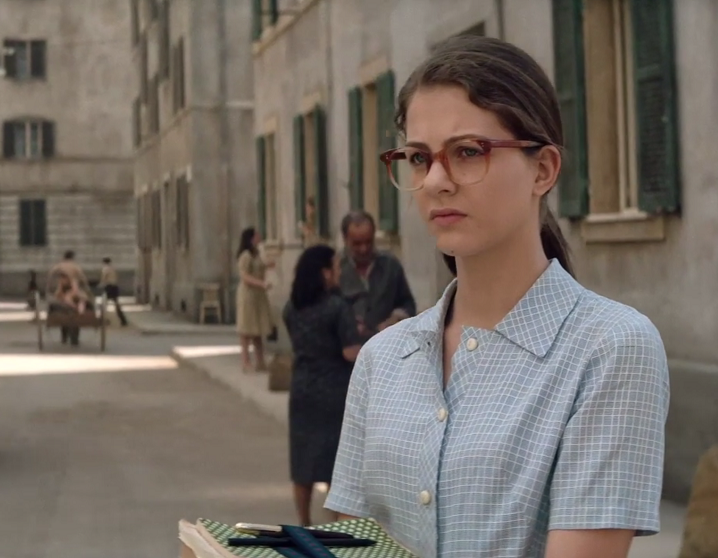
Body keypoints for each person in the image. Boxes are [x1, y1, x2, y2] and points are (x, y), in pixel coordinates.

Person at [325, 36, 670, 558]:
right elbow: (349, 545)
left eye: (468, 152)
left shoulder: (608, 348)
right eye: (418, 158)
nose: (435, 181)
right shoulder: (382, 359)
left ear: (543, 169)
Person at [282, 244, 361, 526]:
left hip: (302, 388)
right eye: (336, 267)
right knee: (334, 462)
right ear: (325, 273)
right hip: (334, 391)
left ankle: (303, 521)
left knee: (302, 461)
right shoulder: (337, 307)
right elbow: (350, 352)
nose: (339, 272)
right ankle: (335, 525)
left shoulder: (292, 308)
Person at [337, 210, 416, 341]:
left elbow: (408, 304)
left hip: (386, 343)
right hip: (348, 348)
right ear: (345, 240)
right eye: (357, 243)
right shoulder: (336, 269)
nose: (364, 249)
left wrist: (395, 318)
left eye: (368, 242)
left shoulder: (390, 265)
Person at [234, 227, 273, 372]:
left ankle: (260, 361)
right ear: (251, 238)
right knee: (246, 329)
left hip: (258, 295)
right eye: (256, 235)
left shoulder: (257, 253)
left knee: (258, 328)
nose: (259, 236)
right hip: (248, 295)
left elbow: (259, 267)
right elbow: (245, 276)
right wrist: (261, 283)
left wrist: (268, 265)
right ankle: (245, 362)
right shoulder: (245, 255)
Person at [47, 251, 91, 346]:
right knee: (74, 314)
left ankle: (64, 337)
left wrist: (49, 287)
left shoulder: (59, 266)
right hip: (74, 295)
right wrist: (87, 288)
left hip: (67, 297)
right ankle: (74, 338)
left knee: (64, 314)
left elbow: (51, 274)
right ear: (72, 257)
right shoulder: (75, 266)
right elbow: (83, 278)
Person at [99, 257, 128, 326]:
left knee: (104, 304)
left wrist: (101, 284)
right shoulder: (113, 268)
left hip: (109, 287)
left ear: (104, 262)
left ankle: (103, 320)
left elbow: (104, 278)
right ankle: (123, 320)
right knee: (116, 304)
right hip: (115, 287)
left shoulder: (105, 269)